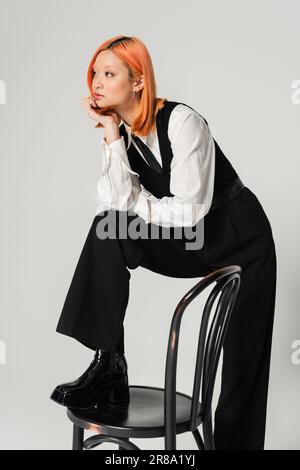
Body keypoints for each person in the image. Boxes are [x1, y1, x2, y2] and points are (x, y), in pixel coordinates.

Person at [50, 35, 277, 450]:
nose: (96, 82)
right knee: (108, 229)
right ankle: (109, 365)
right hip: (192, 239)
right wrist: (111, 136)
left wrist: (139, 203)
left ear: (138, 81)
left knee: (243, 363)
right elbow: (116, 205)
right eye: (95, 73)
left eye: (109, 73)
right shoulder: (122, 133)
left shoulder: (183, 122)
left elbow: (190, 210)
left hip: (240, 239)